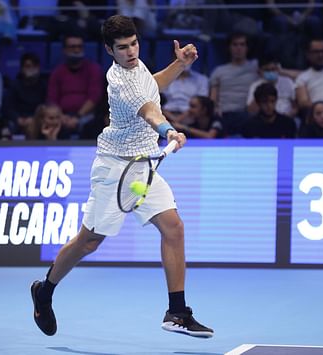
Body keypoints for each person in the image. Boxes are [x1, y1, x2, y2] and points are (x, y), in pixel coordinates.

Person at [31, 15, 213, 338]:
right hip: (115, 168)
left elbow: (152, 86)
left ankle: (177, 312)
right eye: (122, 48)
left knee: (174, 227)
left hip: (142, 165)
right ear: (109, 50)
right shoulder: (119, 82)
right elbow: (149, 110)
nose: (130, 52)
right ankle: (45, 291)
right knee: (89, 241)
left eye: (133, 44)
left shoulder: (137, 67)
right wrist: (169, 130)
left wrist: (179, 64)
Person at [47, 34, 104, 138]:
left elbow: (94, 97)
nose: (77, 50)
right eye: (72, 47)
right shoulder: (57, 72)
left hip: (87, 116)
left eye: (79, 47)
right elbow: (52, 99)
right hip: (62, 116)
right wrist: (61, 117)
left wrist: (77, 117)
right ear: (64, 50)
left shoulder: (93, 70)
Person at [209, 32, 258, 136]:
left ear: (247, 48)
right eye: (235, 45)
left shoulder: (256, 67)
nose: (238, 48)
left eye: (242, 44)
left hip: (249, 115)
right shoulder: (219, 71)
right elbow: (213, 99)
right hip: (224, 115)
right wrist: (215, 110)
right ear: (229, 48)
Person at [3, 52, 47, 134]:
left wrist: (34, 118)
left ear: (38, 68)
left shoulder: (44, 86)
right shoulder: (14, 85)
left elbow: (45, 106)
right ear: (22, 69)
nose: (31, 69)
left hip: (37, 118)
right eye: (28, 66)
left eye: (34, 66)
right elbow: (8, 107)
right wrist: (17, 119)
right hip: (18, 119)